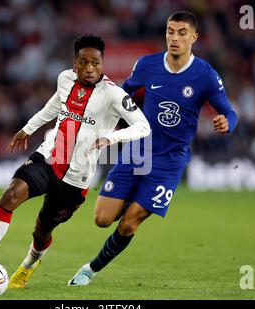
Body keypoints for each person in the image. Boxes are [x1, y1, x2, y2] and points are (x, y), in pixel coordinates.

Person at [0, 35, 150, 288]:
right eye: (83, 62)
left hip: (76, 178)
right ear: (74, 63)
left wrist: (111, 138)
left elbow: (143, 127)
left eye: (95, 63)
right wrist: (28, 128)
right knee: (11, 195)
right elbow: (55, 105)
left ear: (103, 63)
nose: (89, 68)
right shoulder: (65, 79)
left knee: (42, 230)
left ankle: (29, 264)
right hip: (48, 157)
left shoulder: (114, 95)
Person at [68, 11, 238, 286]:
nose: (174, 37)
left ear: (193, 38)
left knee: (129, 223)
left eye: (182, 33)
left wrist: (225, 123)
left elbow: (229, 111)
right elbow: (125, 95)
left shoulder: (205, 74)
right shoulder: (147, 65)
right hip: (137, 150)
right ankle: (132, 197)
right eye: (171, 31)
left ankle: (91, 268)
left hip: (170, 160)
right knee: (102, 219)